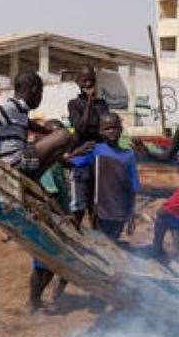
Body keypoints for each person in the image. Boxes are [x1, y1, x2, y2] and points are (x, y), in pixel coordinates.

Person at [67, 112, 140, 240]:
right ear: (100, 132)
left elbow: (133, 188)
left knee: (113, 242)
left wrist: (131, 214)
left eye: (115, 128)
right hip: (101, 212)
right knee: (102, 241)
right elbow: (70, 162)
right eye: (107, 128)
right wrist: (77, 151)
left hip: (121, 212)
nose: (111, 131)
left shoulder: (129, 155)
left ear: (121, 130)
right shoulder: (95, 150)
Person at [28, 120, 72, 312]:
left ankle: (39, 301)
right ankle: (34, 302)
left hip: (57, 219)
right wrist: (63, 216)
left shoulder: (56, 162)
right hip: (49, 221)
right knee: (43, 266)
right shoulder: (46, 165)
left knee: (50, 265)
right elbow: (49, 195)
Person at [67, 66, 110, 224]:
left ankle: (96, 233)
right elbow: (80, 127)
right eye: (85, 80)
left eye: (91, 80)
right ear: (78, 82)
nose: (89, 83)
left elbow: (105, 127)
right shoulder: (74, 104)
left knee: (96, 200)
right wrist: (89, 102)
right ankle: (76, 230)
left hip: (99, 155)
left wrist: (95, 103)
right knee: (78, 202)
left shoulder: (102, 104)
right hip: (81, 155)